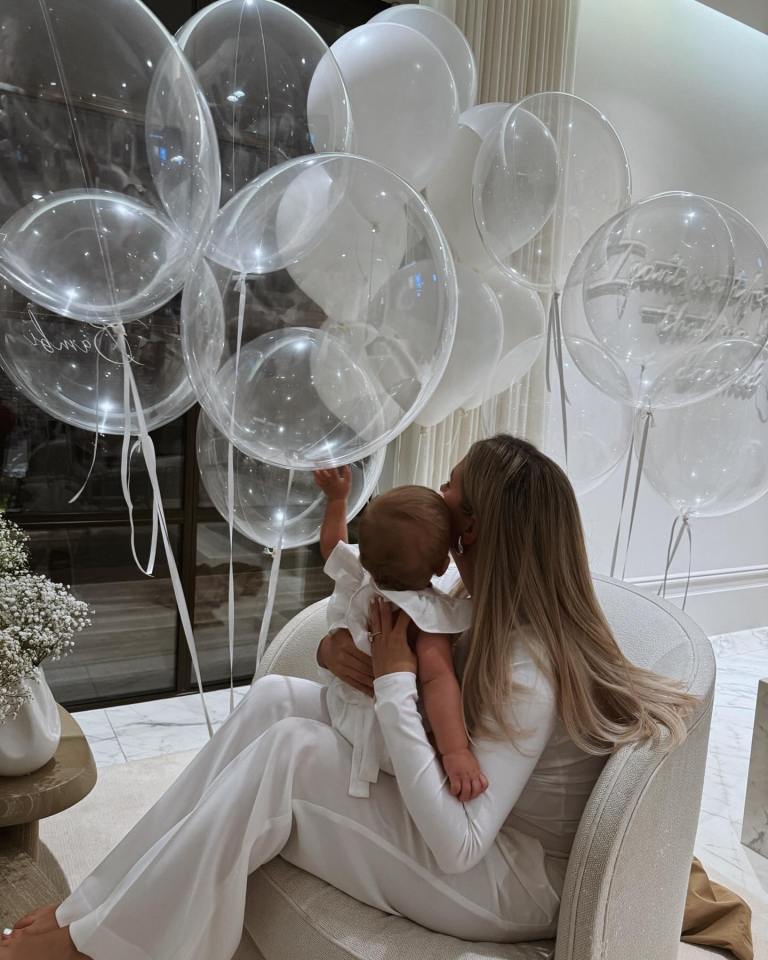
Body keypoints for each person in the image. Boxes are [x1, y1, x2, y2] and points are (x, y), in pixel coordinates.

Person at [2, 435, 702, 960]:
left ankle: (104, 947)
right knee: (279, 698)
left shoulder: (529, 666)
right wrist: (346, 662)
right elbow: (426, 703)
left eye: (451, 488)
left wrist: (394, 681)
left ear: (476, 528)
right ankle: (91, 910)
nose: (435, 494)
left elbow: (459, 842)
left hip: (504, 879)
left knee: (292, 754)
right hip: (473, 831)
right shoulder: (471, 599)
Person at [312, 467, 485, 801]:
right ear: (440, 566)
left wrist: (337, 500)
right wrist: (455, 752)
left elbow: (332, 545)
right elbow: (438, 682)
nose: (443, 486)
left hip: (343, 709)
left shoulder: (361, 576)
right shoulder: (424, 617)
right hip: (390, 741)